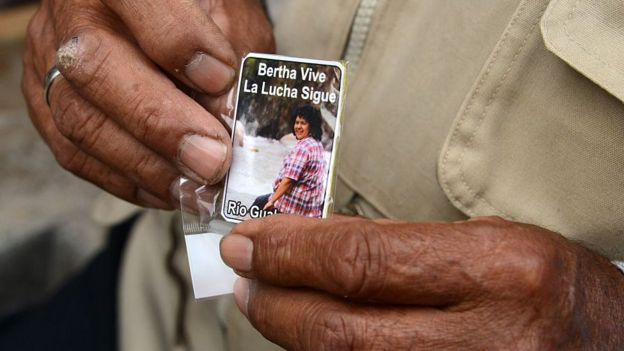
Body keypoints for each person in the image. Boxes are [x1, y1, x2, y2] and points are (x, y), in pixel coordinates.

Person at [17, 0, 624, 350]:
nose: (301, 135)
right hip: (155, 294)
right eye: (300, 132)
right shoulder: (286, 143)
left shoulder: (299, 154)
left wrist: (605, 317)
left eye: (305, 132)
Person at [252, 105, 326, 217]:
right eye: (297, 122)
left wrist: (272, 201)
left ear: (312, 126)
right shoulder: (317, 145)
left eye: (303, 123)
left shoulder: (304, 148)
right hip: (310, 208)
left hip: (293, 207)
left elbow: (289, 180)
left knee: (258, 203)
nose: (298, 126)